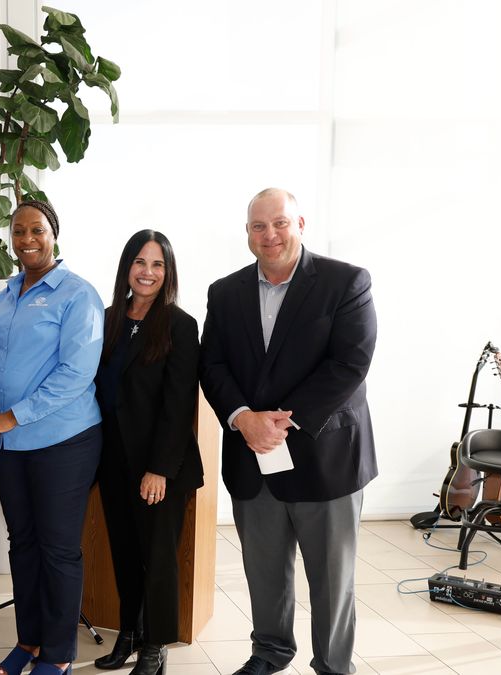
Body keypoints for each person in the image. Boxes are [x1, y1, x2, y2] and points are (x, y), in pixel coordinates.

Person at [200, 188, 377, 675]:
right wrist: (243, 417)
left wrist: (280, 420)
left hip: (325, 458)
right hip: (252, 455)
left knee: (331, 579)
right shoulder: (225, 292)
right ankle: (269, 652)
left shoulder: (346, 282)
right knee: (263, 572)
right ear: (247, 233)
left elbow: (350, 364)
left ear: (301, 224)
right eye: (259, 226)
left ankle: (333, 665)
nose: (270, 234)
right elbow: (212, 364)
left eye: (280, 223)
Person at [0, 200, 104, 675]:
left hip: (63, 443)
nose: (27, 239)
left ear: (54, 234)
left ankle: (58, 654)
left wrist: (10, 416)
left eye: (37, 230)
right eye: (18, 231)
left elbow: (76, 373)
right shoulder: (5, 296)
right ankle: (29, 641)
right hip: (10, 447)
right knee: (23, 543)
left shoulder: (78, 294)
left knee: (58, 549)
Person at [92, 230, 203, 675]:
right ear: (127, 267)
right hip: (113, 461)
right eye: (140, 262)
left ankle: (155, 647)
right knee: (124, 553)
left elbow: (179, 405)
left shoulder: (180, 325)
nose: (148, 272)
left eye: (158, 264)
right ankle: (130, 634)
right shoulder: (108, 319)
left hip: (159, 466)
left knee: (157, 559)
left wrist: (159, 469)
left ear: (168, 272)